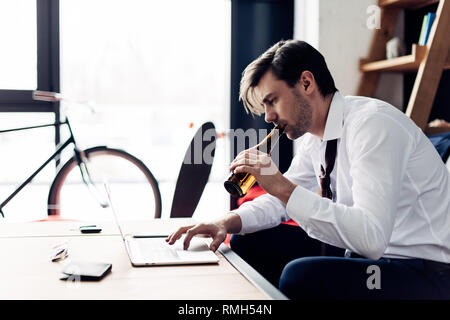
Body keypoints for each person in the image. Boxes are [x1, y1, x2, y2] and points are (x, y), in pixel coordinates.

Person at [166, 39, 450, 299]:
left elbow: (372, 239)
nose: (268, 116)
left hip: (424, 271)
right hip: (368, 257)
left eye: (272, 100)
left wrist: (281, 187)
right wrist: (225, 221)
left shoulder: (372, 126)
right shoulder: (316, 138)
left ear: (306, 83)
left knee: (299, 276)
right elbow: (281, 203)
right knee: (245, 242)